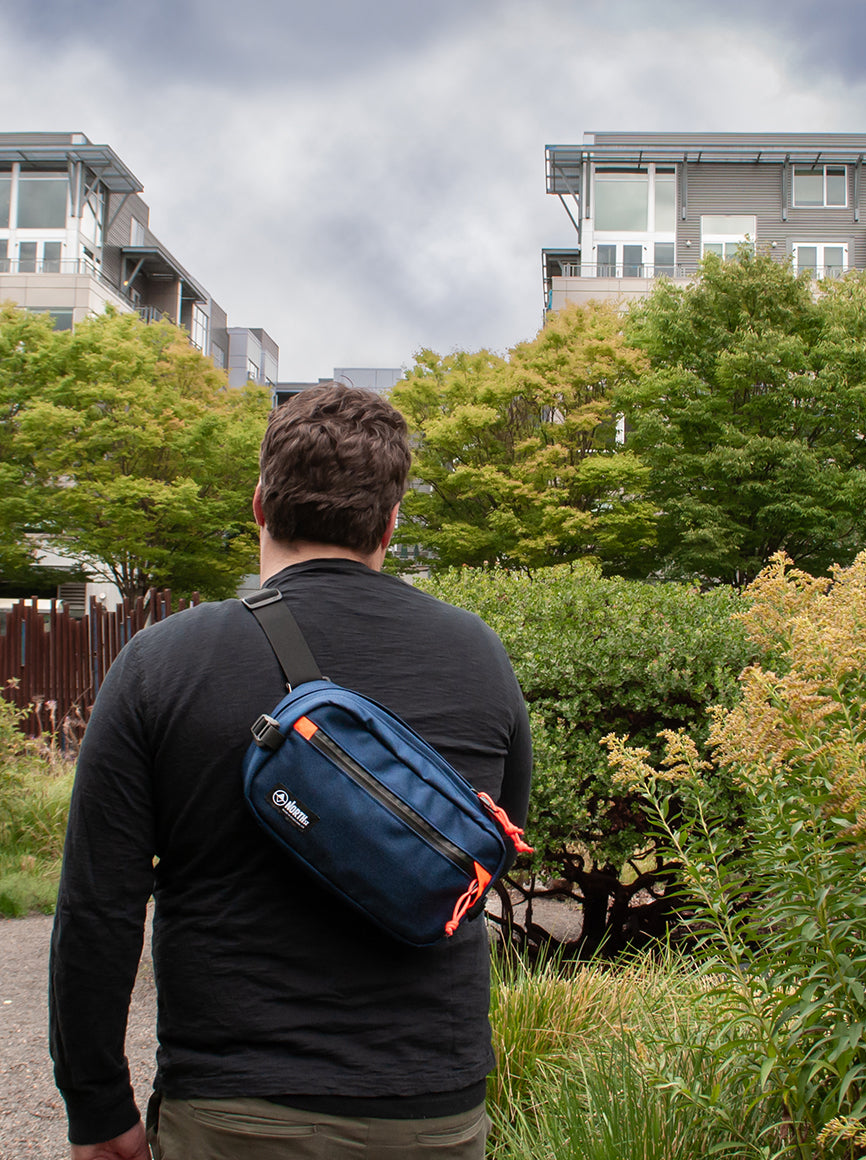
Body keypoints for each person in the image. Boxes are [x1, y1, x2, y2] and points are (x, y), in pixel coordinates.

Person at [49, 383, 533, 1160]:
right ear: (390, 522)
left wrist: (98, 1105)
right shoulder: (476, 654)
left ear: (260, 507)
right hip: (431, 1111)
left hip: (233, 1109)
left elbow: (97, 910)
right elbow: (491, 851)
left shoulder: (162, 663)